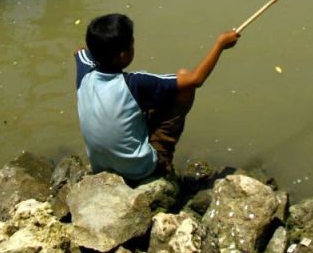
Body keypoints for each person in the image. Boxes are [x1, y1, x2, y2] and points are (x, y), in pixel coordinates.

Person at [75, 13, 239, 181]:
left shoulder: (84, 73)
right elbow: (196, 79)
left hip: (101, 167)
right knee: (184, 82)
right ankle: (163, 164)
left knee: (136, 104)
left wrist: (98, 47)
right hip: (141, 170)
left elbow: (79, 52)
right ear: (123, 55)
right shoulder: (136, 83)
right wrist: (220, 44)